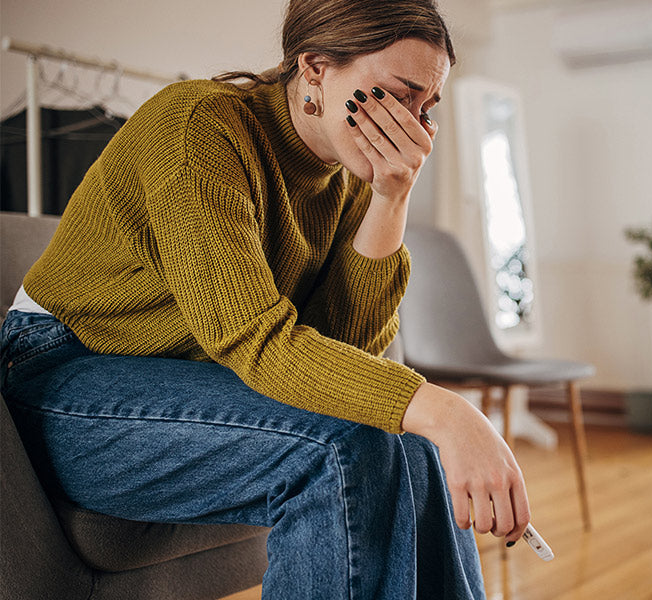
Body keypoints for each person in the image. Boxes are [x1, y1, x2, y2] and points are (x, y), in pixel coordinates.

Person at [0, 1, 531, 598]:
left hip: (186, 375)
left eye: (424, 109)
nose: (412, 128)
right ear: (315, 70)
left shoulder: (351, 177)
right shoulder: (195, 129)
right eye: (394, 96)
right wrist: (448, 410)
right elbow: (259, 342)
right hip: (59, 371)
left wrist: (390, 200)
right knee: (340, 449)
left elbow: (338, 359)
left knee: (405, 444)